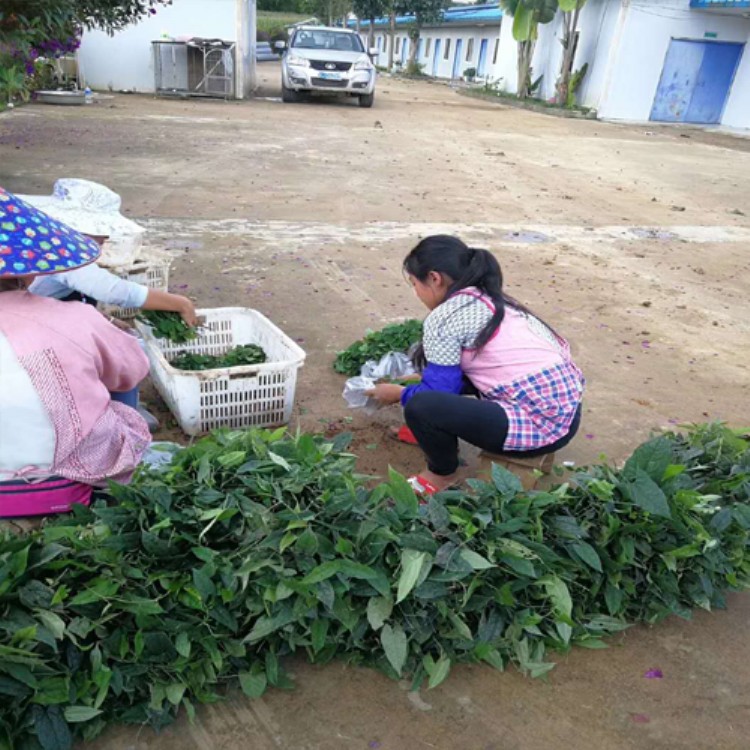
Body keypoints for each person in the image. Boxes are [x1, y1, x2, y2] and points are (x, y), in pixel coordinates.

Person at [367, 235, 584, 495]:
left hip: (539, 427)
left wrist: (398, 394)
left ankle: (441, 475)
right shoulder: (492, 298)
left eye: (415, 283)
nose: (416, 292)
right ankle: (429, 434)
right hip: (566, 414)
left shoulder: (446, 317)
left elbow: (437, 395)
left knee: (420, 406)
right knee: (439, 382)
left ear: (434, 278)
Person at [0, 188, 151, 517]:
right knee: (118, 396)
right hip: (62, 482)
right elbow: (133, 370)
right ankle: (114, 485)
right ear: (29, 270)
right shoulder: (75, 318)